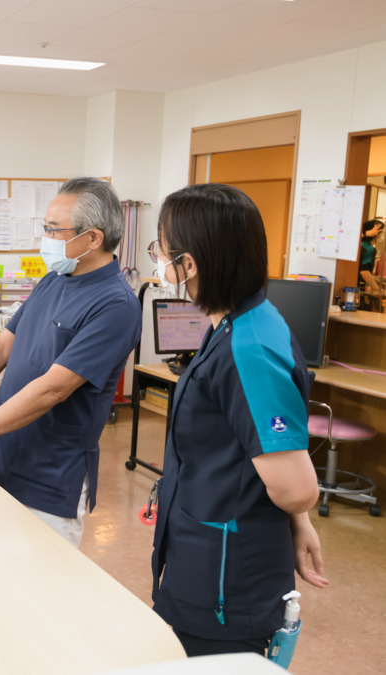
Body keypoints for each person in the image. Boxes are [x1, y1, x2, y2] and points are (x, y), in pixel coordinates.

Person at [146, 183, 327, 657]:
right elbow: (252, 446)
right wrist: (297, 520)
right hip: (206, 547)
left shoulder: (249, 348)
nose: (160, 263)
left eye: (163, 251)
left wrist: (298, 514)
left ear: (192, 264)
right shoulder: (234, 321)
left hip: (226, 580)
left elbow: (297, 487)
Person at [0, 178, 140, 548]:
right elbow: (1, 347)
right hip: (3, 457)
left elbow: (54, 388)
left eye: (53, 229)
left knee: (35, 593)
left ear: (93, 238)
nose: (45, 237)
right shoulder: (54, 279)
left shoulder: (115, 305)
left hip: (49, 479)